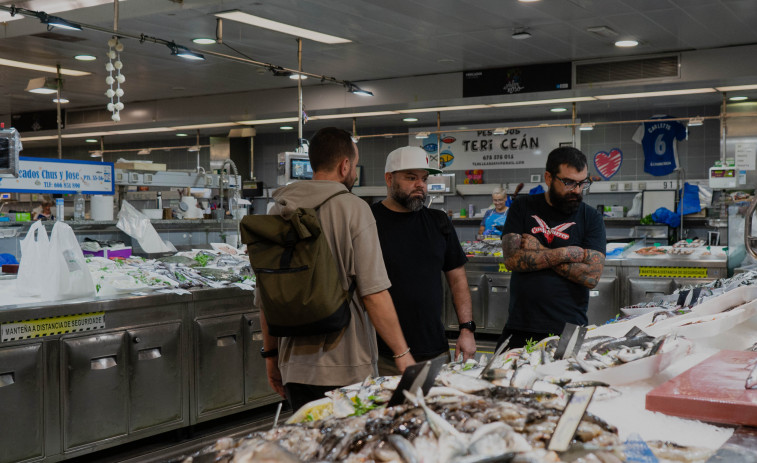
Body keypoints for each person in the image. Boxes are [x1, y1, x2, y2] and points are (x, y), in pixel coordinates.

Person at [258, 127, 415, 411]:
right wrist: (402, 353)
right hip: (347, 368)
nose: (353, 171)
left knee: (310, 450)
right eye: (354, 165)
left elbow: (268, 295)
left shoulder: (277, 211)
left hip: (294, 367)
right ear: (345, 165)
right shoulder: (354, 208)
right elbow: (374, 292)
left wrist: (271, 356)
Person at [371, 146, 476, 375]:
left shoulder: (438, 222)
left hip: (434, 351)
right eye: (411, 177)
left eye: (424, 178)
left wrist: (467, 329)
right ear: (389, 179)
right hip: (380, 355)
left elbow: (458, 281)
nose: (420, 185)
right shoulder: (368, 221)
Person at [497, 146, 606, 349]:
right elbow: (511, 260)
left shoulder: (591, 217)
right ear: (548, 178)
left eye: (582, 183)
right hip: (521, 324)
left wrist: (539, 250)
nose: (576, 190)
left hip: (569, 327)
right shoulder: (523, 207)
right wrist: (566, 253)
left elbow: (592, 275)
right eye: (568, 182)